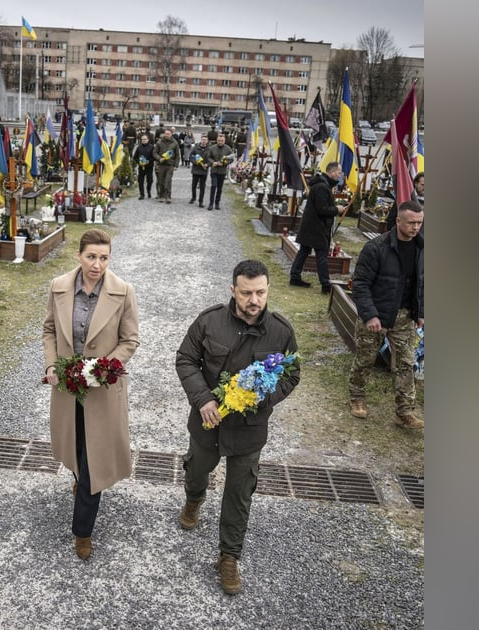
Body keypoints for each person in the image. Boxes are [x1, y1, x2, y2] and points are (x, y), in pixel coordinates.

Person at [175, 260, 299, 595]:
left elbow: (291, 374)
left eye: (260, 292)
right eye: (246, 293)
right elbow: (185, 359)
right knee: (197, 470)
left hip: (249, 428)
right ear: (233, 290)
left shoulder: (281, 332)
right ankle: (194, 498)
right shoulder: (209, 321)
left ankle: (229, 555)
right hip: (208, 421)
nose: (253, 300)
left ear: (268, 290)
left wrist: (263, 397)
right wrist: (203, 399)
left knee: (240, 492)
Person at [43, 228, 140, 560]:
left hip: (102, 389)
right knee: (75, 444)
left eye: (104, 258)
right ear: (79, 255)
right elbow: (49, 329)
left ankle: (82, 531)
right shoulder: (58, 286)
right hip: (67, 388)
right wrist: (52, 364)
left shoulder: (123, 292)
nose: (97, 264)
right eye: (91, 257)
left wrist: (104, 368)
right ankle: (79, 476)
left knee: (94, 459)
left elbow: (130, 340)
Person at [348, 201, 425, 429]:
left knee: (406, 363)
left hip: (404, 317)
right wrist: (370, 315)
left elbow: (422, 284)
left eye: (419, 223)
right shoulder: (376, 248)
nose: (416, 227)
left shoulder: (422, 249)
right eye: (411, 223)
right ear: (398, 221)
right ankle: (357, 396)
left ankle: (404, 412)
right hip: (377, 315)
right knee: (365, 358)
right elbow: (360, 283)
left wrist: (420, 312)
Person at [290, 162, 344, 293]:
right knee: (321, 255)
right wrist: (337, 209)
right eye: (338, 172)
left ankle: (295, 276)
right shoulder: (322, 187)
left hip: (312, 225)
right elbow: (322, 209)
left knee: (304, 251)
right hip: (317, 226)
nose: (339, 175)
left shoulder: (322, 184)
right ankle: (325, 284)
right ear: (331, 172)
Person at [205, 133, 234, 210]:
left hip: (222, 171)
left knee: (219, 188)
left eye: (222, 141)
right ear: (216, 140)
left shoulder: (228, 149)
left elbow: (231, 159)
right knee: (213, 186)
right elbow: (208, 157)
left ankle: (217, 203)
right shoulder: (212, 148)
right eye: (219, 140)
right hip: (214, 171)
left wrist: (224, 163)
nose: (220, 142)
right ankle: (211, 203)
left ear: (224, 141)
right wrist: (213, 162)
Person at [153, 128, 179, 204]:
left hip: (170, 165)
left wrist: (176, 165)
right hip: (161, 164)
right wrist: (159, 158)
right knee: (161, 181)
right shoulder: (159, 142)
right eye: (166, 134)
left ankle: (168, 197)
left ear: (171, 134)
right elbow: (154, 152)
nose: (167, 135)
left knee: (168, 180)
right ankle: (161, 196)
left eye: (168, 134)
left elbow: (177, 155)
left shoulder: (175, 143)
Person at [187, 134, 210, 207]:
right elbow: (191, 156)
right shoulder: (196, 147)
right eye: (203, 140)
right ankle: (193, 197)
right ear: (201, 140)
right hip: (196, 169)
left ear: (207, 141)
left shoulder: (210, 149)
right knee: (194, 185)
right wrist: (195, 162)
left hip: (204, 170)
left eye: (205, 140)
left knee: (202, 187)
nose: (204, 141)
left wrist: (208, 164)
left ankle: (201, 201)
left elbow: (212, 159)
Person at [132, 133, 155, 199]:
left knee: (150, 180)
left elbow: (154, 157)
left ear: (148, 139)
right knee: (140, 181)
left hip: (149, 167)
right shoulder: (139, 147)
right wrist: (138, 162)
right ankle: (142, 194)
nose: (143, 141)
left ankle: (148, 190)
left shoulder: (151, 147)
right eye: (142, 139)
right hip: (141, 167)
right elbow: (135, 157)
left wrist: (149, 161)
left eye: (145, 139)